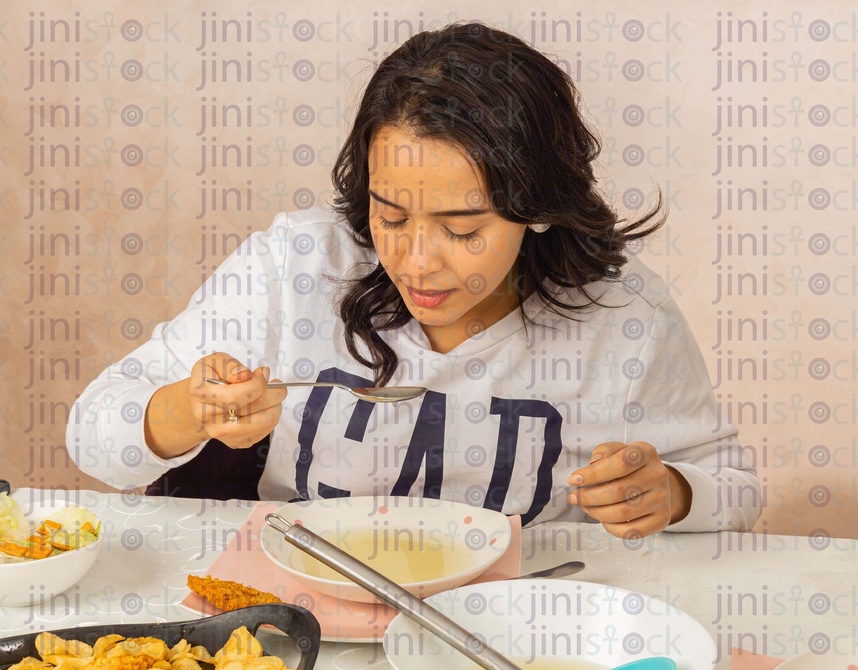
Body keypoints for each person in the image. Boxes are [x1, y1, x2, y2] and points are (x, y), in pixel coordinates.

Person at [67, 21, 761, 538]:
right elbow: (93, 431)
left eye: (464, 230)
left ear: (537, 209)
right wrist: (189, 410)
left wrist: (671, 491)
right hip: (303, 612)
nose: (418, 262)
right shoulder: (298, 267)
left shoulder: (620, 312)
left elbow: (734, 485)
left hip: (519, 625)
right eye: (390, 214)